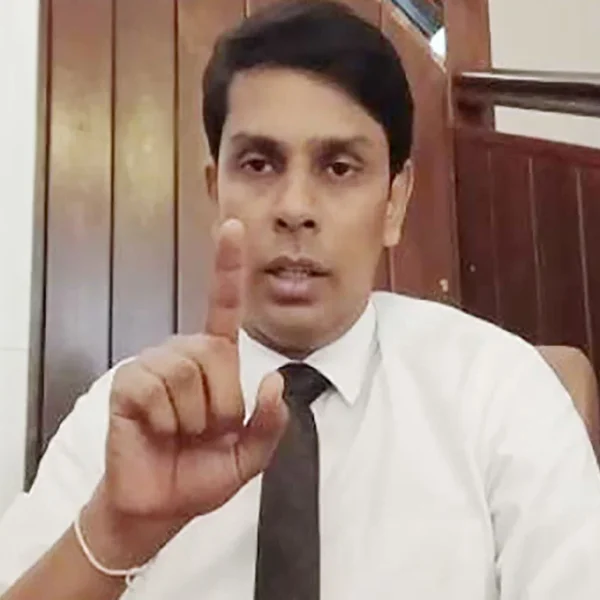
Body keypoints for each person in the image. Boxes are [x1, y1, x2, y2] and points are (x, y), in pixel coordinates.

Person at [1, 1, 600, 598]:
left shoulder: (500, 391)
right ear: (216, 191)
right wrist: (115, 533)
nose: (294, 208)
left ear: (394, 202)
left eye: (339, 168)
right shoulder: (125, 417)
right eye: (259, 163)